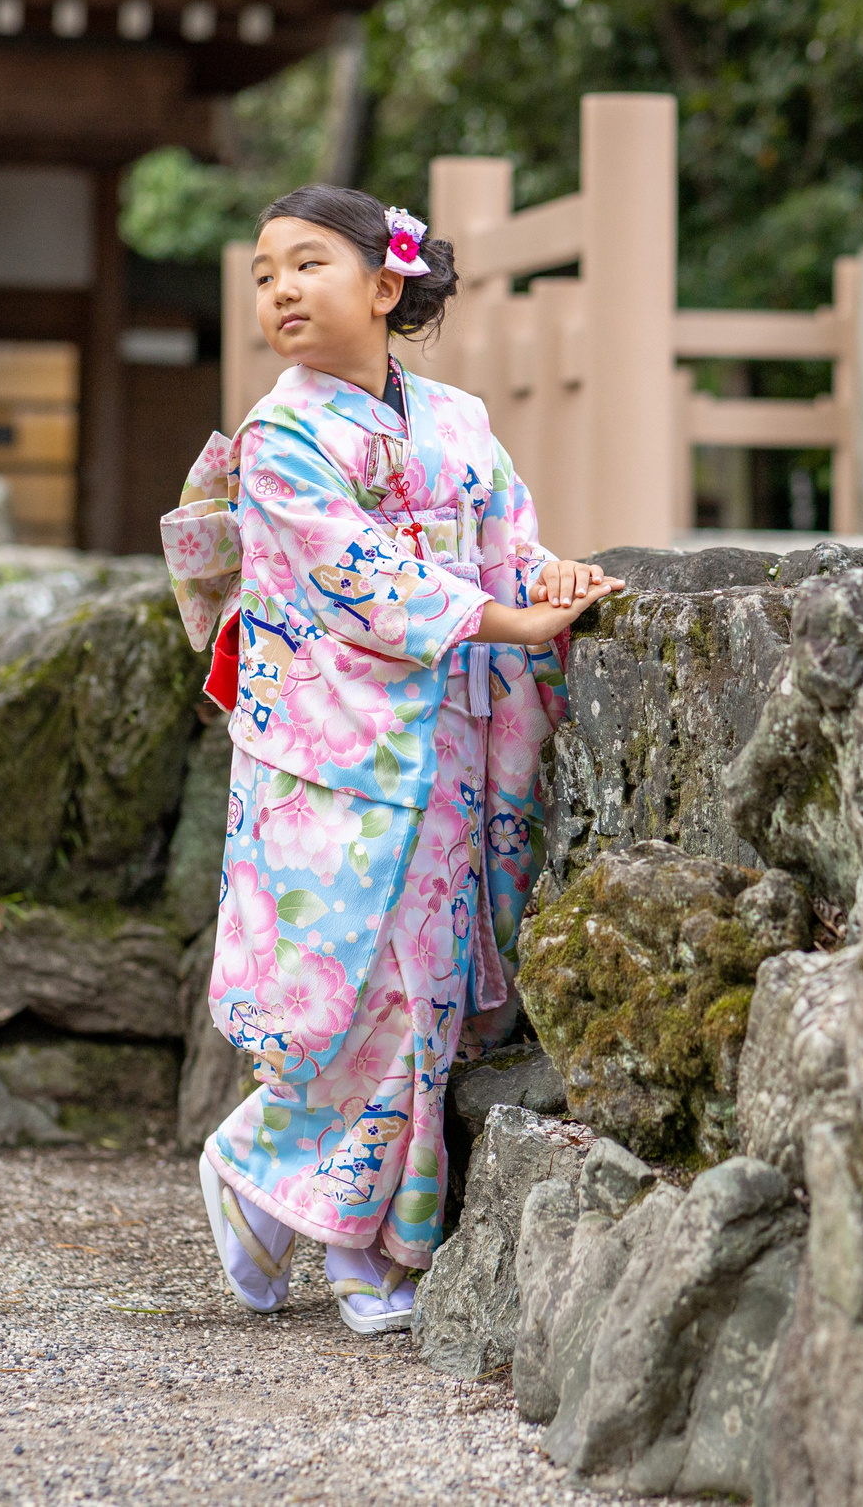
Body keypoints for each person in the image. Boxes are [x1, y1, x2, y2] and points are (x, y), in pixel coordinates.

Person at [160, 185, 620, 1334]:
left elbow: (509, 541)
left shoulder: (457, 419)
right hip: (333, 749)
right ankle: (352, 1238)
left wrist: (549, 581)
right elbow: (353, 574)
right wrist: (505, 621)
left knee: (429, 993)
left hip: (450, 737)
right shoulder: (280, 437)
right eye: (264, 272)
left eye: (306, 264)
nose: (279, 290)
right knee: (358, 981)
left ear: (383, 282)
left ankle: (305, 1210)